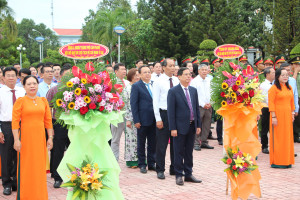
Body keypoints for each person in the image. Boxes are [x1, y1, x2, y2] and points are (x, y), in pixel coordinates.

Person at [12, 75, 53, 199]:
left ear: (37, 85)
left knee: (39, 169)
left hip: (40, 140)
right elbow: (14, 122)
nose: (32, 86)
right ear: (24, 86)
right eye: (29, 84)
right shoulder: (20, 101)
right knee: (26, 169)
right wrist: (16, 140)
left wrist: (50, 137)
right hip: (25, 140)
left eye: (34, 83)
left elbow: (48, 121)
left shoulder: (43, 101)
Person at [167, 67, 201, 185]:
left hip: (192, 126)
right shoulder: (173, 91)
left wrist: (198, 125)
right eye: (186, 74)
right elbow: (171, 112)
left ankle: (188, 174)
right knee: (178, 151)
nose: (188, 76)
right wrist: (173, 128)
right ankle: (178, 174)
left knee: (189, 152)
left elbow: (196, 108)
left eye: (189, 74)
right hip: (179, 127)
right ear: (179, 76)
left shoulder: (193, 90)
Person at [0, 67, 25, 195]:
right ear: (3, 77)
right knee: (6, 156)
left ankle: (16, 181)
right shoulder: (0, 92)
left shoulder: (22, 91)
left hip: (22, 126)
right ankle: (6, 183)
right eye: (8, 75)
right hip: (6, 126)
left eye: (13, 75)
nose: (11, 78)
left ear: (17, 77)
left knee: (19, 155)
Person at [153, 58, 179, 179]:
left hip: (176, 115)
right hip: (164, 114)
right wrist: (158, 118)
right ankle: (160, 169)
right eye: (170, 66)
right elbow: (155, 101)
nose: (173, 68)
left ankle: (174, 168)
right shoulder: (158, 81)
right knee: (162, 144)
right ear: (164, 67)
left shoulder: (176, 80)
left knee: (176, 144)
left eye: (174, 66)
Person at [46, 66, 71, 188]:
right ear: (60, 76)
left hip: (74, 124)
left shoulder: (79, 90)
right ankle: (57, 177)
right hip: (59, 123)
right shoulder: (54, 90)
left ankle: (74, 175)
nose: (68, 78)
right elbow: (48, 108)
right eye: (66, 75)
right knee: (58, 151)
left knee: (74, 149)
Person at [131, 66, 156, 174]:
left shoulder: (154, 84)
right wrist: (136, 120)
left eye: (149, 72)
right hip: (142, 119)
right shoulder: (136, 86)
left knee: (153, 142)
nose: (147, 74)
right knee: (141, 143)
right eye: (144, 72)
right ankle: (142, 164)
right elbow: (134, 104)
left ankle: (151, 163)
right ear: (140, 75)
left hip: (154, 119)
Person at [268, 68, 295, 168]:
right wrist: (274, 116)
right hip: (277, 116)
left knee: (287, 137)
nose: (285, 77)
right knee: (278, 138)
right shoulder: (273, 88)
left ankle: (287, 160)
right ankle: (278, 161)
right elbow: (271, 103)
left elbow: (292, 102)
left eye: (286, 75)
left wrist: (292, 113)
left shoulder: (289, 88)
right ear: (278, 76)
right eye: (282, 75)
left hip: (287, 116)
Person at [191, 64, 215, 149]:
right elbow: (194, 95)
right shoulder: (194, 81)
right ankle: (196, 143)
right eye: (202, 70)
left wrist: (210, 103)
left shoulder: (209, 80)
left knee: (207, 124)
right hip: (199, 106)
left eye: (206, 70)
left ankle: (204, 141)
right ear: (198, 71)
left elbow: (213, 93)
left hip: (209, 106)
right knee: (198, 124)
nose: (204, 71)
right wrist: (202, 104)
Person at [111, 63, 130, 161]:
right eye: (122, 69)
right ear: (116, 71)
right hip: (117, 114)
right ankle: (115, 159)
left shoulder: (127, 82)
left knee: (129, 138)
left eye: (125, 69)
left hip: (127, 115)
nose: (124, 71)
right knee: (116, 139)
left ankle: (129, 159)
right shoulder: (111, 83)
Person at [123, 68, 140, 168]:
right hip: (130, 117)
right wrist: (128, 119)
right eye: (135, 75)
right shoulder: (127, 89)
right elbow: (126, 105)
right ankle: (132, 161)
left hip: (139, 117)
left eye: (138, 75)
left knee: (140, 140)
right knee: (131, 140)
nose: (137, 77)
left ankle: (141, 158)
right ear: (131, 77)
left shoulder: (139, 87)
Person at [280, 62, 299, 142]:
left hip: (290, 108)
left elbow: (295, 95)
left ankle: (289, 150)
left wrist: (296, 109)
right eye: (286, 70)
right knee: (281, 130)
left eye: (289, 70)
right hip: (280, 108)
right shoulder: (276, 81)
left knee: (290, 129)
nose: (288, 72)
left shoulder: (292, 80)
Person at [259, 67, 275, 154]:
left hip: (275, 109)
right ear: (267, 74)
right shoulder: (263, 85)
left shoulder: (275, 84)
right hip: (266, 108)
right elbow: (266, 99)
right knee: (265, 128)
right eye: (273, 73)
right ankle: (264, 146)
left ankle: (274, 145)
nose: (275, 74)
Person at [291, 56, 300, 143]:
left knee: (298, 118)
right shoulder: (289, 74)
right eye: (295, 64)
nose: (297, 66)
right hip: (292, 98)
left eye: (298, 64)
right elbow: (292, 84)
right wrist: (295, 72)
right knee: (294, 117)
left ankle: (297, 135)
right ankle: (293, 135)